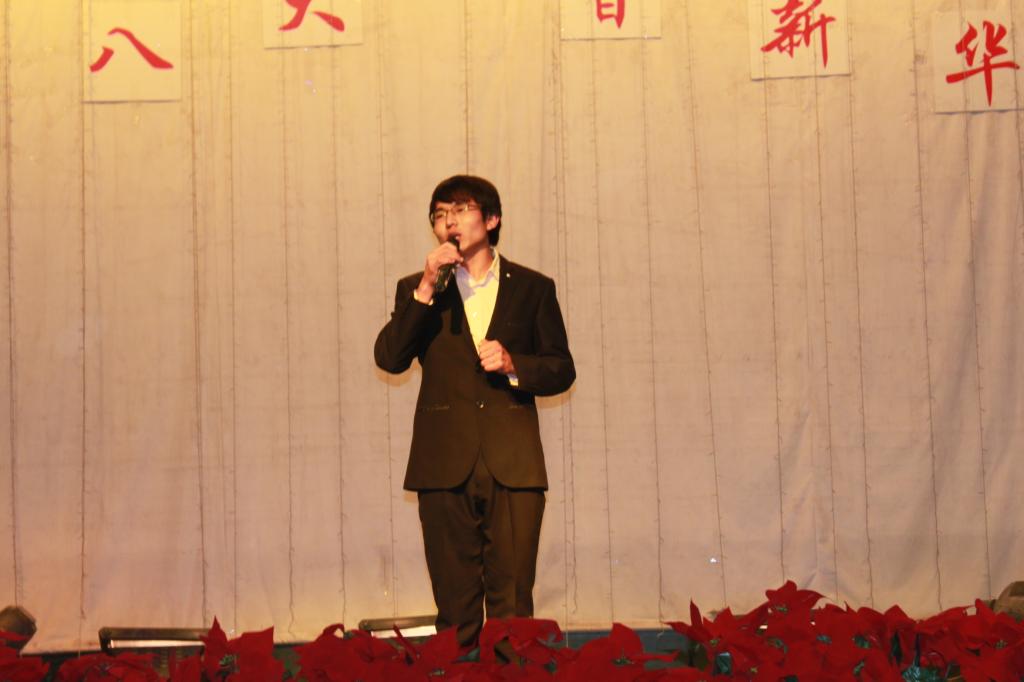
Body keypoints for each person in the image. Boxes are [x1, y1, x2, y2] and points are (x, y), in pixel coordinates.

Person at [374, 175, 575, 647]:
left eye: (461, 210)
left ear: (492, 219)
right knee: (455, 609)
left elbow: (561, 369)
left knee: (512, 610)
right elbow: (390, 357)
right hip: (443, 463)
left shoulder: (533, 288)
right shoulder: (419, 289)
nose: (449, 221)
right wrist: (426, 286)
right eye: (440, 214)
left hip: (513, 464)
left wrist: (514, 364)